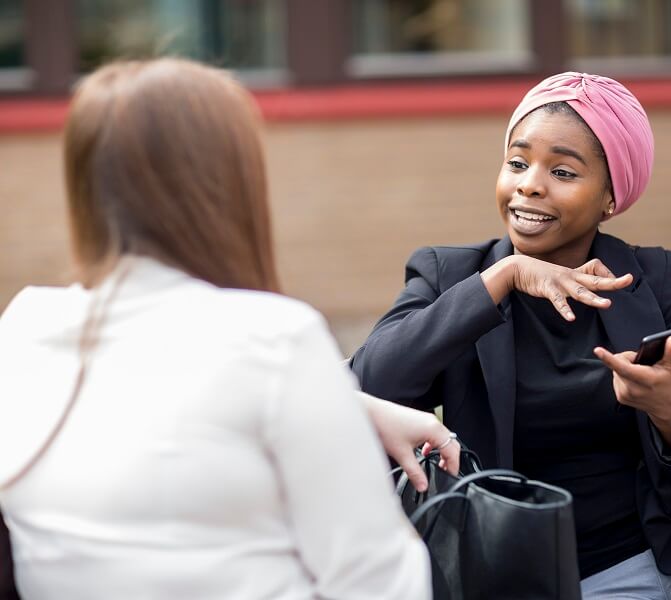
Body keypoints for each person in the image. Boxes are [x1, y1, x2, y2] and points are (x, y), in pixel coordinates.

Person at [350, 72, 671, 599]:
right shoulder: (450, 277)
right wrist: (502, 278)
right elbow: (366, 384)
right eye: (517, 162)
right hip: (554, 576)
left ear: (610, 197)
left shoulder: (657, 279)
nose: (531, 183)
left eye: (562, 170)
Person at [0, 58, 459, 600]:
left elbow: (146, 378)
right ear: (226, 186)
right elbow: (382, 583)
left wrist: (342, 405)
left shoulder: (27, 325)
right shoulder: (276, 339)